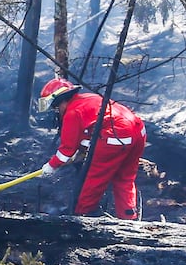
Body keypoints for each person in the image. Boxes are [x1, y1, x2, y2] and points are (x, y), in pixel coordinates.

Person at [36, 77, 146, 220]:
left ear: (60, 101)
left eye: (55, 108)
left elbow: (66, 151)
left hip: (117, 136)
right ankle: (129, 218)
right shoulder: (88, 98)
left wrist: (51, 166)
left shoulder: (72, 113)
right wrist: (82, 151)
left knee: (94, 179)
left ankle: (83, 216)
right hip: (138, 130)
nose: (56, 112)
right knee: (124, 179)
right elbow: (92, 131)